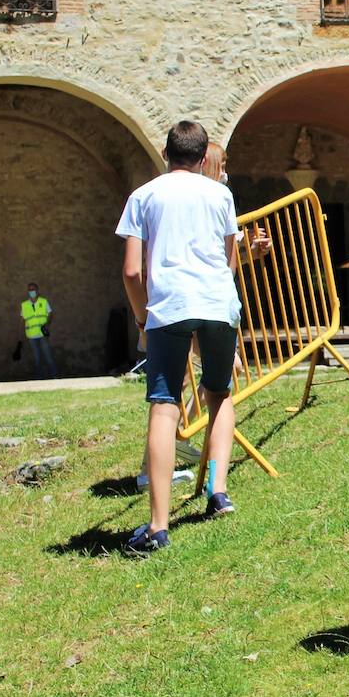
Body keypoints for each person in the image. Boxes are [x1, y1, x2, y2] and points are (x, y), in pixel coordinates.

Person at [117, 121, 243, 555]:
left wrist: (140, 317)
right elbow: (230, 256)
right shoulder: (220, 194)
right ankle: (219, 491)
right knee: (219, 394)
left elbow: (132, 271)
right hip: (216, 302)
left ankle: (157, 525)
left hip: (167, 306)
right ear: (203, 153)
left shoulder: (144, 196)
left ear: (165, 151)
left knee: (164, 405)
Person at [20, 281, 57, 379]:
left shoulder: (43, 301)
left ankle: (54, 377)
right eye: (29, 289)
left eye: (33, 289)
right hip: (31, 335)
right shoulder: (24, 305)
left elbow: (50, 314)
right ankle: (39, 380)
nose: (31, 291)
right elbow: (22, 319)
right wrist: (21, 334)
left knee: (48, 356)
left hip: (42, 334)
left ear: (37, 290)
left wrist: (47, 325)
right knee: (37, 358)